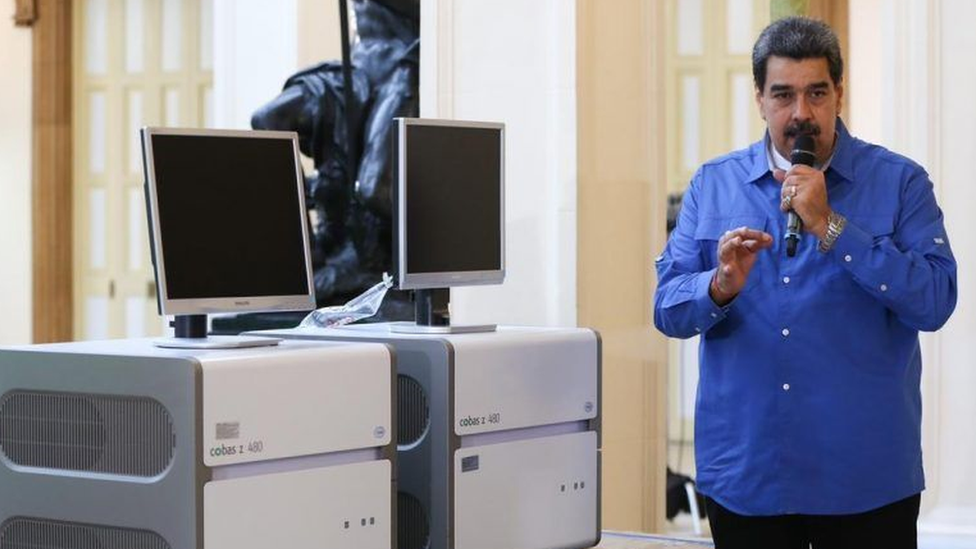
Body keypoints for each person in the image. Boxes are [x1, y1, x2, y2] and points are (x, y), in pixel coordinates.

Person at [653, 16, 957, 549]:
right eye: (783, 95)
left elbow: (934, 301)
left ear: (839, 92)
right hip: (747, 478)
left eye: (817, 92)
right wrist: (720, 285)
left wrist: (832, 227)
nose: (801, 113)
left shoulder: (900, 181)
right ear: (759, 99)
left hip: (865, 480)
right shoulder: (713, 184)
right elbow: (667, 309)